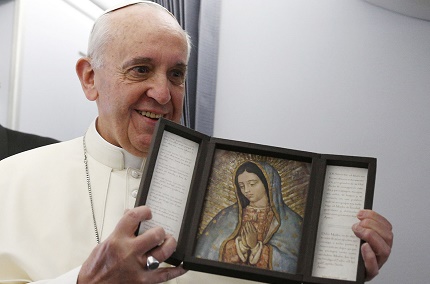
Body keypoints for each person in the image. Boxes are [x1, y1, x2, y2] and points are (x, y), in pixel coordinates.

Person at [0, 1, 393, 283]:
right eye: (140, 69)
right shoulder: (10, 181)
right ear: (90, 78)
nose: (162, 93)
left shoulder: (220, 197)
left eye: (176, 74)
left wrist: (343, 267)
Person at [195, 161, 303, 273]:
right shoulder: (228, 215)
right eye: (241, 186)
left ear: (268, 184)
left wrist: (256, 248)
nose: (246, 190)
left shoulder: (291, 221)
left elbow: (293, 264)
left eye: (252, 184)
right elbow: (208, 251)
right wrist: (241, 246)